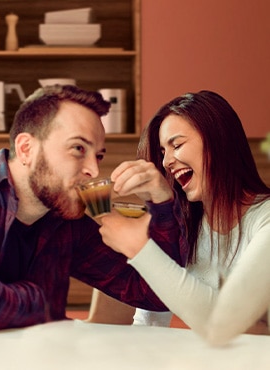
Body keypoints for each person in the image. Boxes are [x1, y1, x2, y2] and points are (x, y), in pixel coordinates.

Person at [0, 84, 188, 333]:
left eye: (98, 155)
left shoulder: (67, 224)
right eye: (78, 148)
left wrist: (163, 205)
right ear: (26, 149)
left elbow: (157, 295)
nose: (94, 170)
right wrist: (45, 300)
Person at [99, 90, 270, 346]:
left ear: (218, 140)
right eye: (163, 152)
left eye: (176, 145)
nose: (167, 162)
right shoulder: (185, 226)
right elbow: (149, 323)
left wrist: (141, 249)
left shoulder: (264, 221)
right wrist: (162, 213)